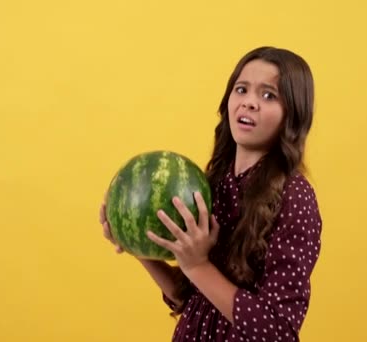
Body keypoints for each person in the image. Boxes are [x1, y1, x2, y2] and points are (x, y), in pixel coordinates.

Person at [99, 46, 322, 342]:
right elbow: (193, 301)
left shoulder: (295, 198)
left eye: (268, 95)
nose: (250, 103)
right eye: (241, 90)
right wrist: (138, 245)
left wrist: (197, 265)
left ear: (292, 114)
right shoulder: (214, 182)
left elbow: (278, 331)